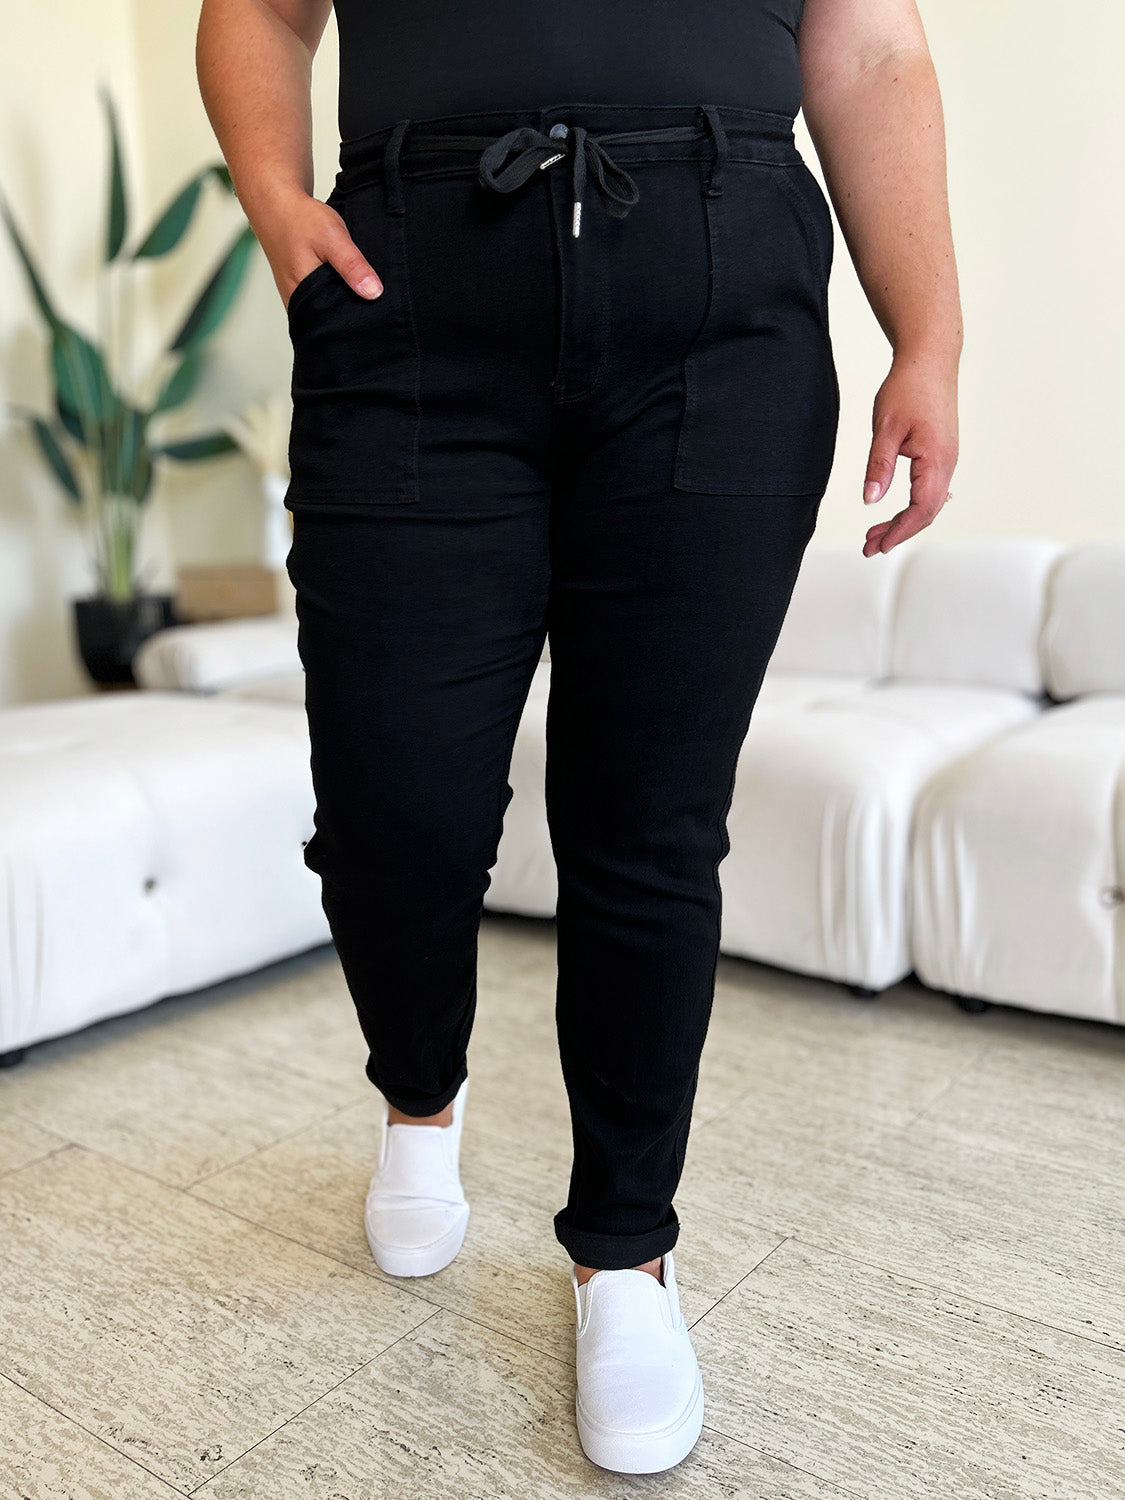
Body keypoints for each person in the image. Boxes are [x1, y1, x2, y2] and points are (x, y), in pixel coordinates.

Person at [196, 0, 961, 1474]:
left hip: (719, 291)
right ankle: (419, 1090)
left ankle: (626, 1255)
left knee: (648, 821)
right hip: (412, 289)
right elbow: (261, 10)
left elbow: (871, 50)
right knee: (392, 804)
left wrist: (925, 335)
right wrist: (277, 201)